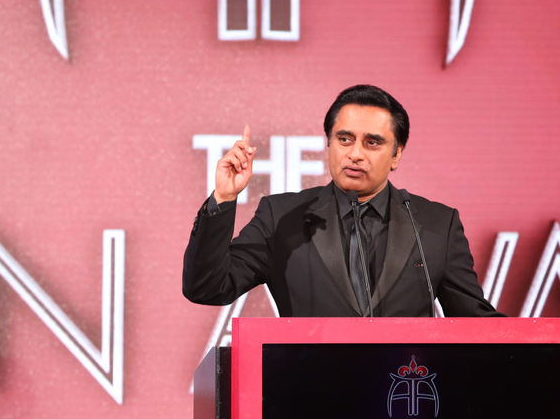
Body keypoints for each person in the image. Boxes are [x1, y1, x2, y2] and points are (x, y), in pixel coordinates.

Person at [183, 84, 502, 317]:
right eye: (345, 139)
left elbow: (476, 323)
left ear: (396, 154)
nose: (355, 154)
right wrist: (223, 198)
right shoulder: (281, 216)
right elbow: (207, 287)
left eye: (372, 143)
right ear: (329, 144)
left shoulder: (437, 226)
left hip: (404, 387)